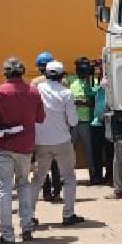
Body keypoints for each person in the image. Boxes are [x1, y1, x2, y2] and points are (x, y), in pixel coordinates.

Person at [0, 57, 45, 244]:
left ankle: (7, 234)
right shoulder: (33, 92)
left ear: (5, 73)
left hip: (4, 145)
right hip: (25, 147)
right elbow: (40, 118)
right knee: (24, 185)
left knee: (4, 189)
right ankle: (27, 227)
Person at [30, 61, 84, 226]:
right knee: (68, 178)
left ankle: (29, 216)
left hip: (41, 141)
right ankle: (68, 215)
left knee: (38, 179)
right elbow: (74, 121)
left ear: (45, 74)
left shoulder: (36, 90)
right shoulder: (66, 93)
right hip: (62, 141)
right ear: (62, 76)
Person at [32, 51, 62, 202]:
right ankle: (57, 192)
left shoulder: (35, 83)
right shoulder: (62, 82)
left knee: (42, 163)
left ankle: (46, 192)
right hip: (58, 128)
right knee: (56, 162)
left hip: (41, 128)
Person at [70, 57, 96, 184]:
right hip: (73, 123)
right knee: (69, 152)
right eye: (80, 69)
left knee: (90, 152)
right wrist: (82, 102)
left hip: (87, 122)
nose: (82, 71)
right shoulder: (71, 82)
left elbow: (94, 101)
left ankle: (94, 176)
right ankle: (67, 177)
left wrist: (82, 102)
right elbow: (68, 101)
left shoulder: (94, 82)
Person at [90, 61, 113, 184]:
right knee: (96, 153)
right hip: (96, 122)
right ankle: (97, 176)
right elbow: (90, 92)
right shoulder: (93, 82)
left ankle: (110, 176)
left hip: (108, 120)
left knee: (110, 151)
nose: (96, 71)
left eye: (99, 68)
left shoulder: (108, 80)